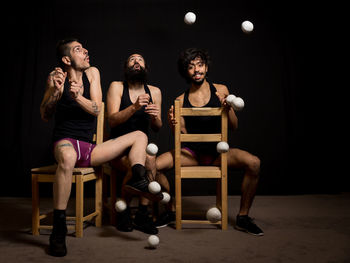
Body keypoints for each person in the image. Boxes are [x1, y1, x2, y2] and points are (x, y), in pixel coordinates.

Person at [40, 39, 159, 257]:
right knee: (67, 156)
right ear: (67, 59)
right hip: (65, 143)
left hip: (90, 149)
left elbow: (97, 109)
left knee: (140, 136)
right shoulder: (56, 77)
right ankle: (59, 228)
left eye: (84, 48)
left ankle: (137, 177)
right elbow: (45, 115)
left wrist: (78, 97)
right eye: (78, 49)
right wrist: (56, 91)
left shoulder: (92, 73)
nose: (85, 51)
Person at [154, 48, 263, 236]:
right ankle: (170, 211)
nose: (196, 70)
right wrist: (173, 124)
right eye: (191, 66)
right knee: (153, 165)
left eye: (200, 64)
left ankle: (243, 217)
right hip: (192, 154)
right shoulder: (180, 100)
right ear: (185, 71)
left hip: (219, 153)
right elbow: (182, 134)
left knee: (254, 163)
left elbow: (234, 126)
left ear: (206, 67)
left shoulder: (221, 90)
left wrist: (227, 108)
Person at [106, 53, 163, 235]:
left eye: (140, 60)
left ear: (145, 68)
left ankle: (142, 213)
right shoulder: (117, 87)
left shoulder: (154, 91)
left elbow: (157, 127)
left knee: (150, 160)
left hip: (142, 148)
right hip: (117, 148)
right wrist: (134, 107)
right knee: (135, 165)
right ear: (126, 68)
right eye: (132, 60)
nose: (136, 62)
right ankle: (123, 211)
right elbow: (112, 121)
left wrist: (155, 117)